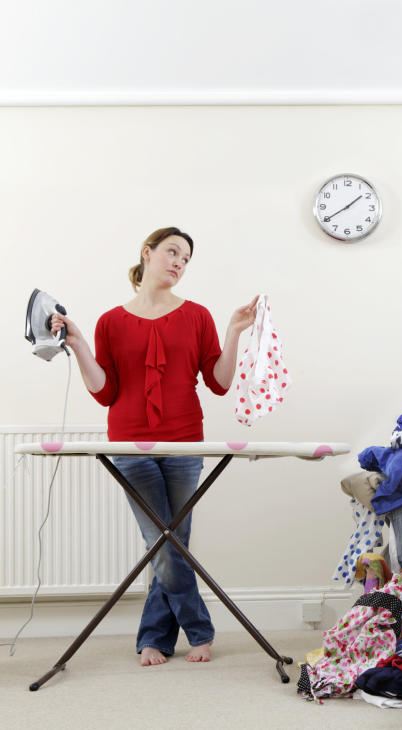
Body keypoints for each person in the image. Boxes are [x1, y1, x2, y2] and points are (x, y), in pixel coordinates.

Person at [50, 227, 256, 666]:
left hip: (184, 443)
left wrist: (234, 330)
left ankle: (154, 639)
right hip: (129, 445)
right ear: (147, 253)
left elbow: (219, 383)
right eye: (172, 252)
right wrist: (80, 342)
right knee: (163, 541)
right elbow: (104, 391)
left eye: (186, 258)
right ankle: (199, 630)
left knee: (171, 540)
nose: (179, 262)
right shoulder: (110, 321)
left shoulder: (197, 315)